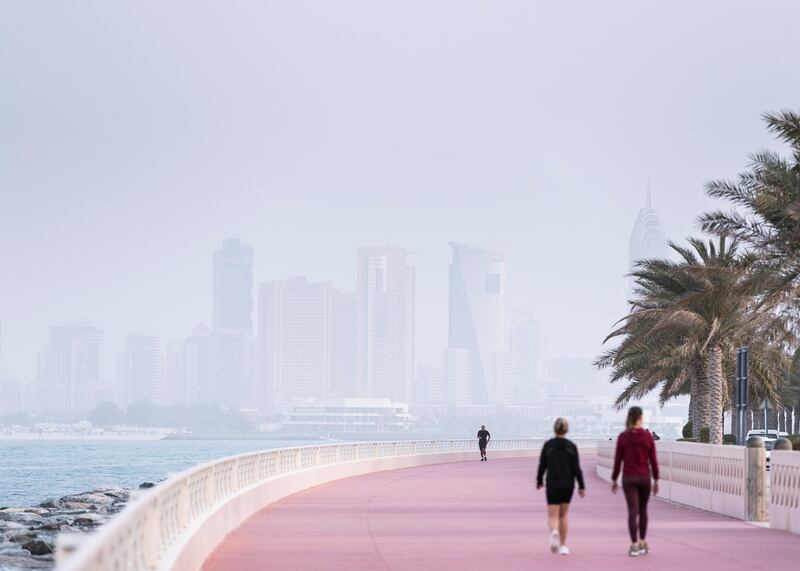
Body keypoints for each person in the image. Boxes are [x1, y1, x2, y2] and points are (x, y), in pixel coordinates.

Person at [611, 406, 660, 557]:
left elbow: (618, 460)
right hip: (644, 477)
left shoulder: (623, 437)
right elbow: (653, 460)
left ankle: (634, 545)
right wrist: (656, 479)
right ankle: (643, 542)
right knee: (643, 510)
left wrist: (614, 479)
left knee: (633, 511)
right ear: (641, 418)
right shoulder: (647, 437)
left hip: (629, 478)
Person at [536, 418, 585, 556]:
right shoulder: (571, 446)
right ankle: (563, 546)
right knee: (563, 515)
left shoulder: (548, 445)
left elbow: (542, 465)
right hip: (568, 485)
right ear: (566, 429)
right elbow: (577, 469)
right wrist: (581, 485)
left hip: (552, 484)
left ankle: (554, 531)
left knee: (552, 515)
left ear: (554, 429)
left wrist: (539, 480)